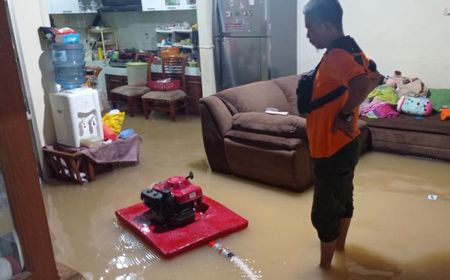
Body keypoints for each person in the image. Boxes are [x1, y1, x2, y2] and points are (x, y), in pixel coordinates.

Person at [302, 0, 381, 269]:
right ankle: (340, 250)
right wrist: (349, 109)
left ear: (326, 25)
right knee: (344, 199)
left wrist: (346, 113)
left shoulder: (337, 57)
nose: (308, 35)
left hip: (330, 148)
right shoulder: (353, 49)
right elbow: (375, 77)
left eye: (310, 28)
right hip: (346, 143)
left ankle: (325, 268)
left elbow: (362, 83)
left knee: (324, 212)